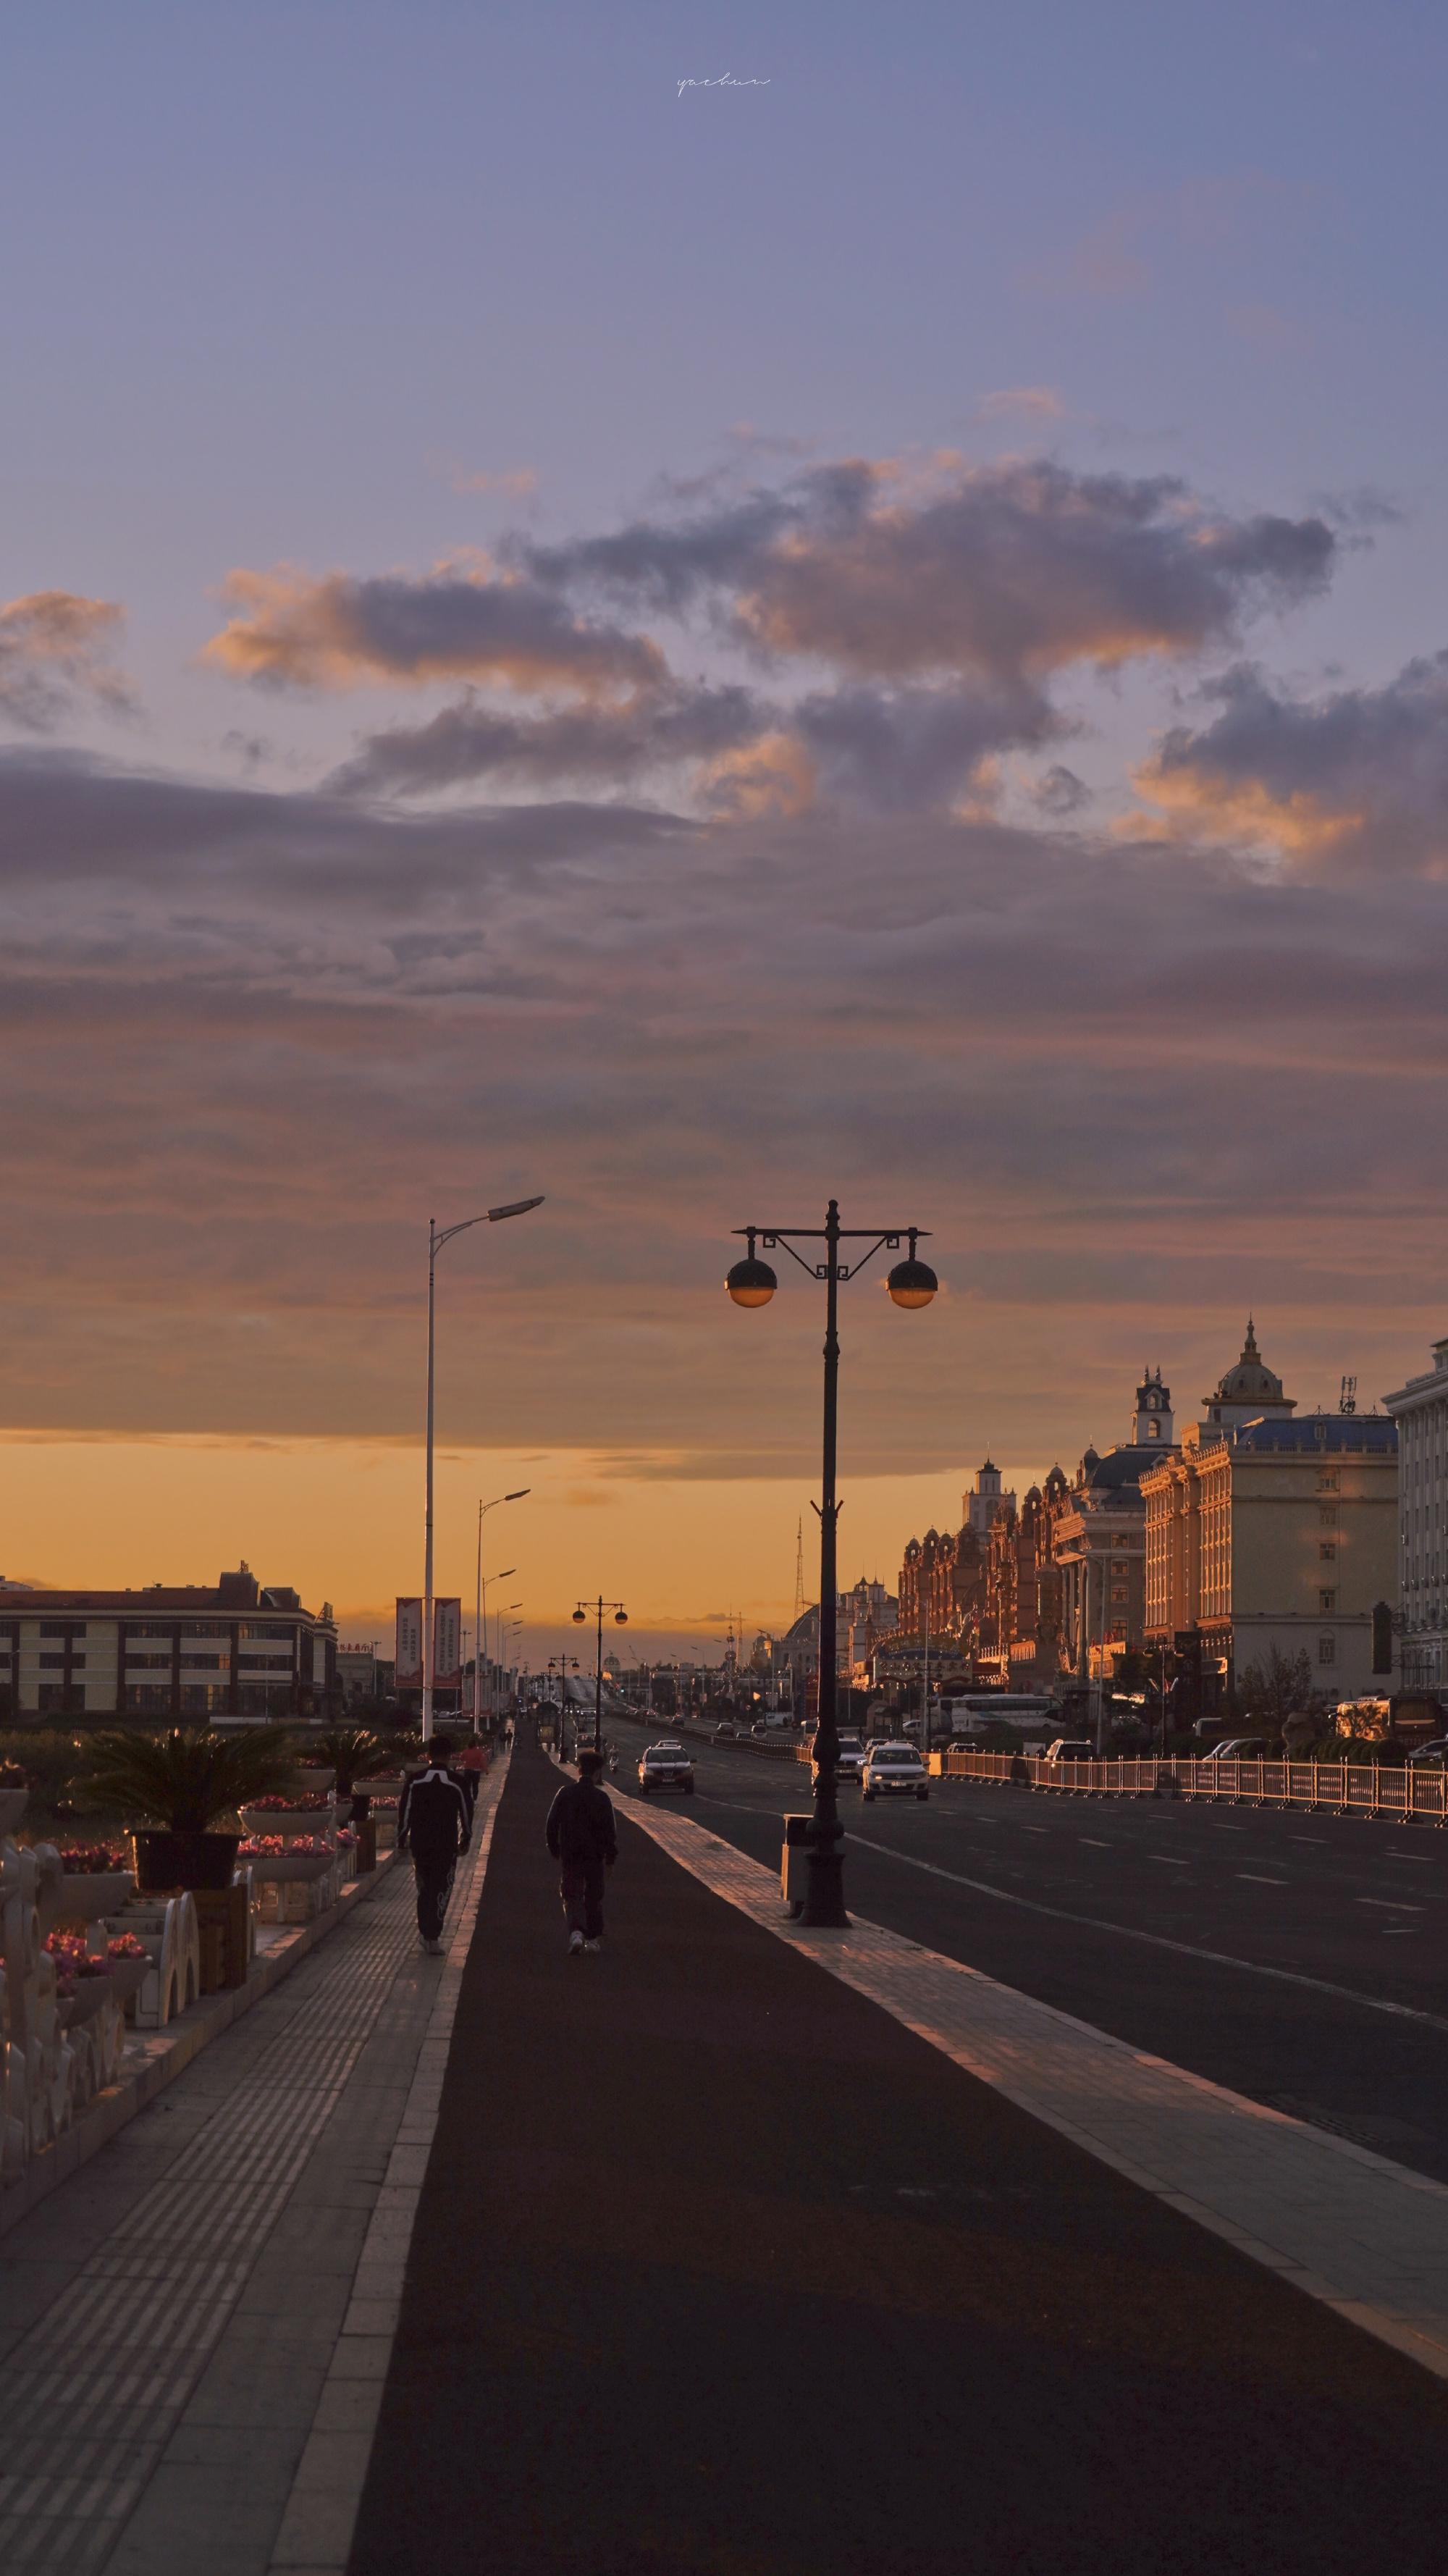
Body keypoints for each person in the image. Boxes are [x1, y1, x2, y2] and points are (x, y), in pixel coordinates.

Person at [397, 1734, 471, 1954]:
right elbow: (467, 1813)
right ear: (450, 1755)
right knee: (441, 1888)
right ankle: (432, 1935)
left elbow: (405, 1811)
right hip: (445, 1844)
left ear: (428, 1755)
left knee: (425, 1887)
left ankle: (425, 1933)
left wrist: (402, 1838)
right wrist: (466, 1837)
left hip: (420, 1844)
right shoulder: (457, 1782)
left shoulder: (415, 1780)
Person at [545, 1746, 618, 1955]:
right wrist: (610, 1858)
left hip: (571, 1852)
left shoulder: (565, 1794)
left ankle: (576, 1932)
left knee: (571, 1893)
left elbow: (551, 1823)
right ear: (597, 1773)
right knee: (593, 1895)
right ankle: (593, 1939)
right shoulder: (603, 1799)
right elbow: (610, 1832)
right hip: (595, 1855)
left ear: (579, 1770)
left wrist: (554, 1847)